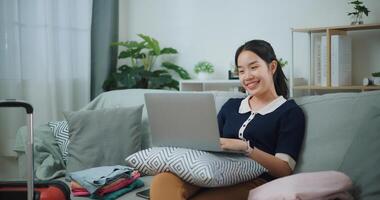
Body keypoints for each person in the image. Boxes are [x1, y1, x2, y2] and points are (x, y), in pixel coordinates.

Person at [150, 39, 306, 200]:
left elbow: (284, 169)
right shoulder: (231, 106)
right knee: (163, 180)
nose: (247, 77)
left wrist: (247, 149)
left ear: (272, 67)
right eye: (241, 71)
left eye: (253, 67)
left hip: (255, 180)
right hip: (214, 170)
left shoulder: (289, 112)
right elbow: (209, 144)